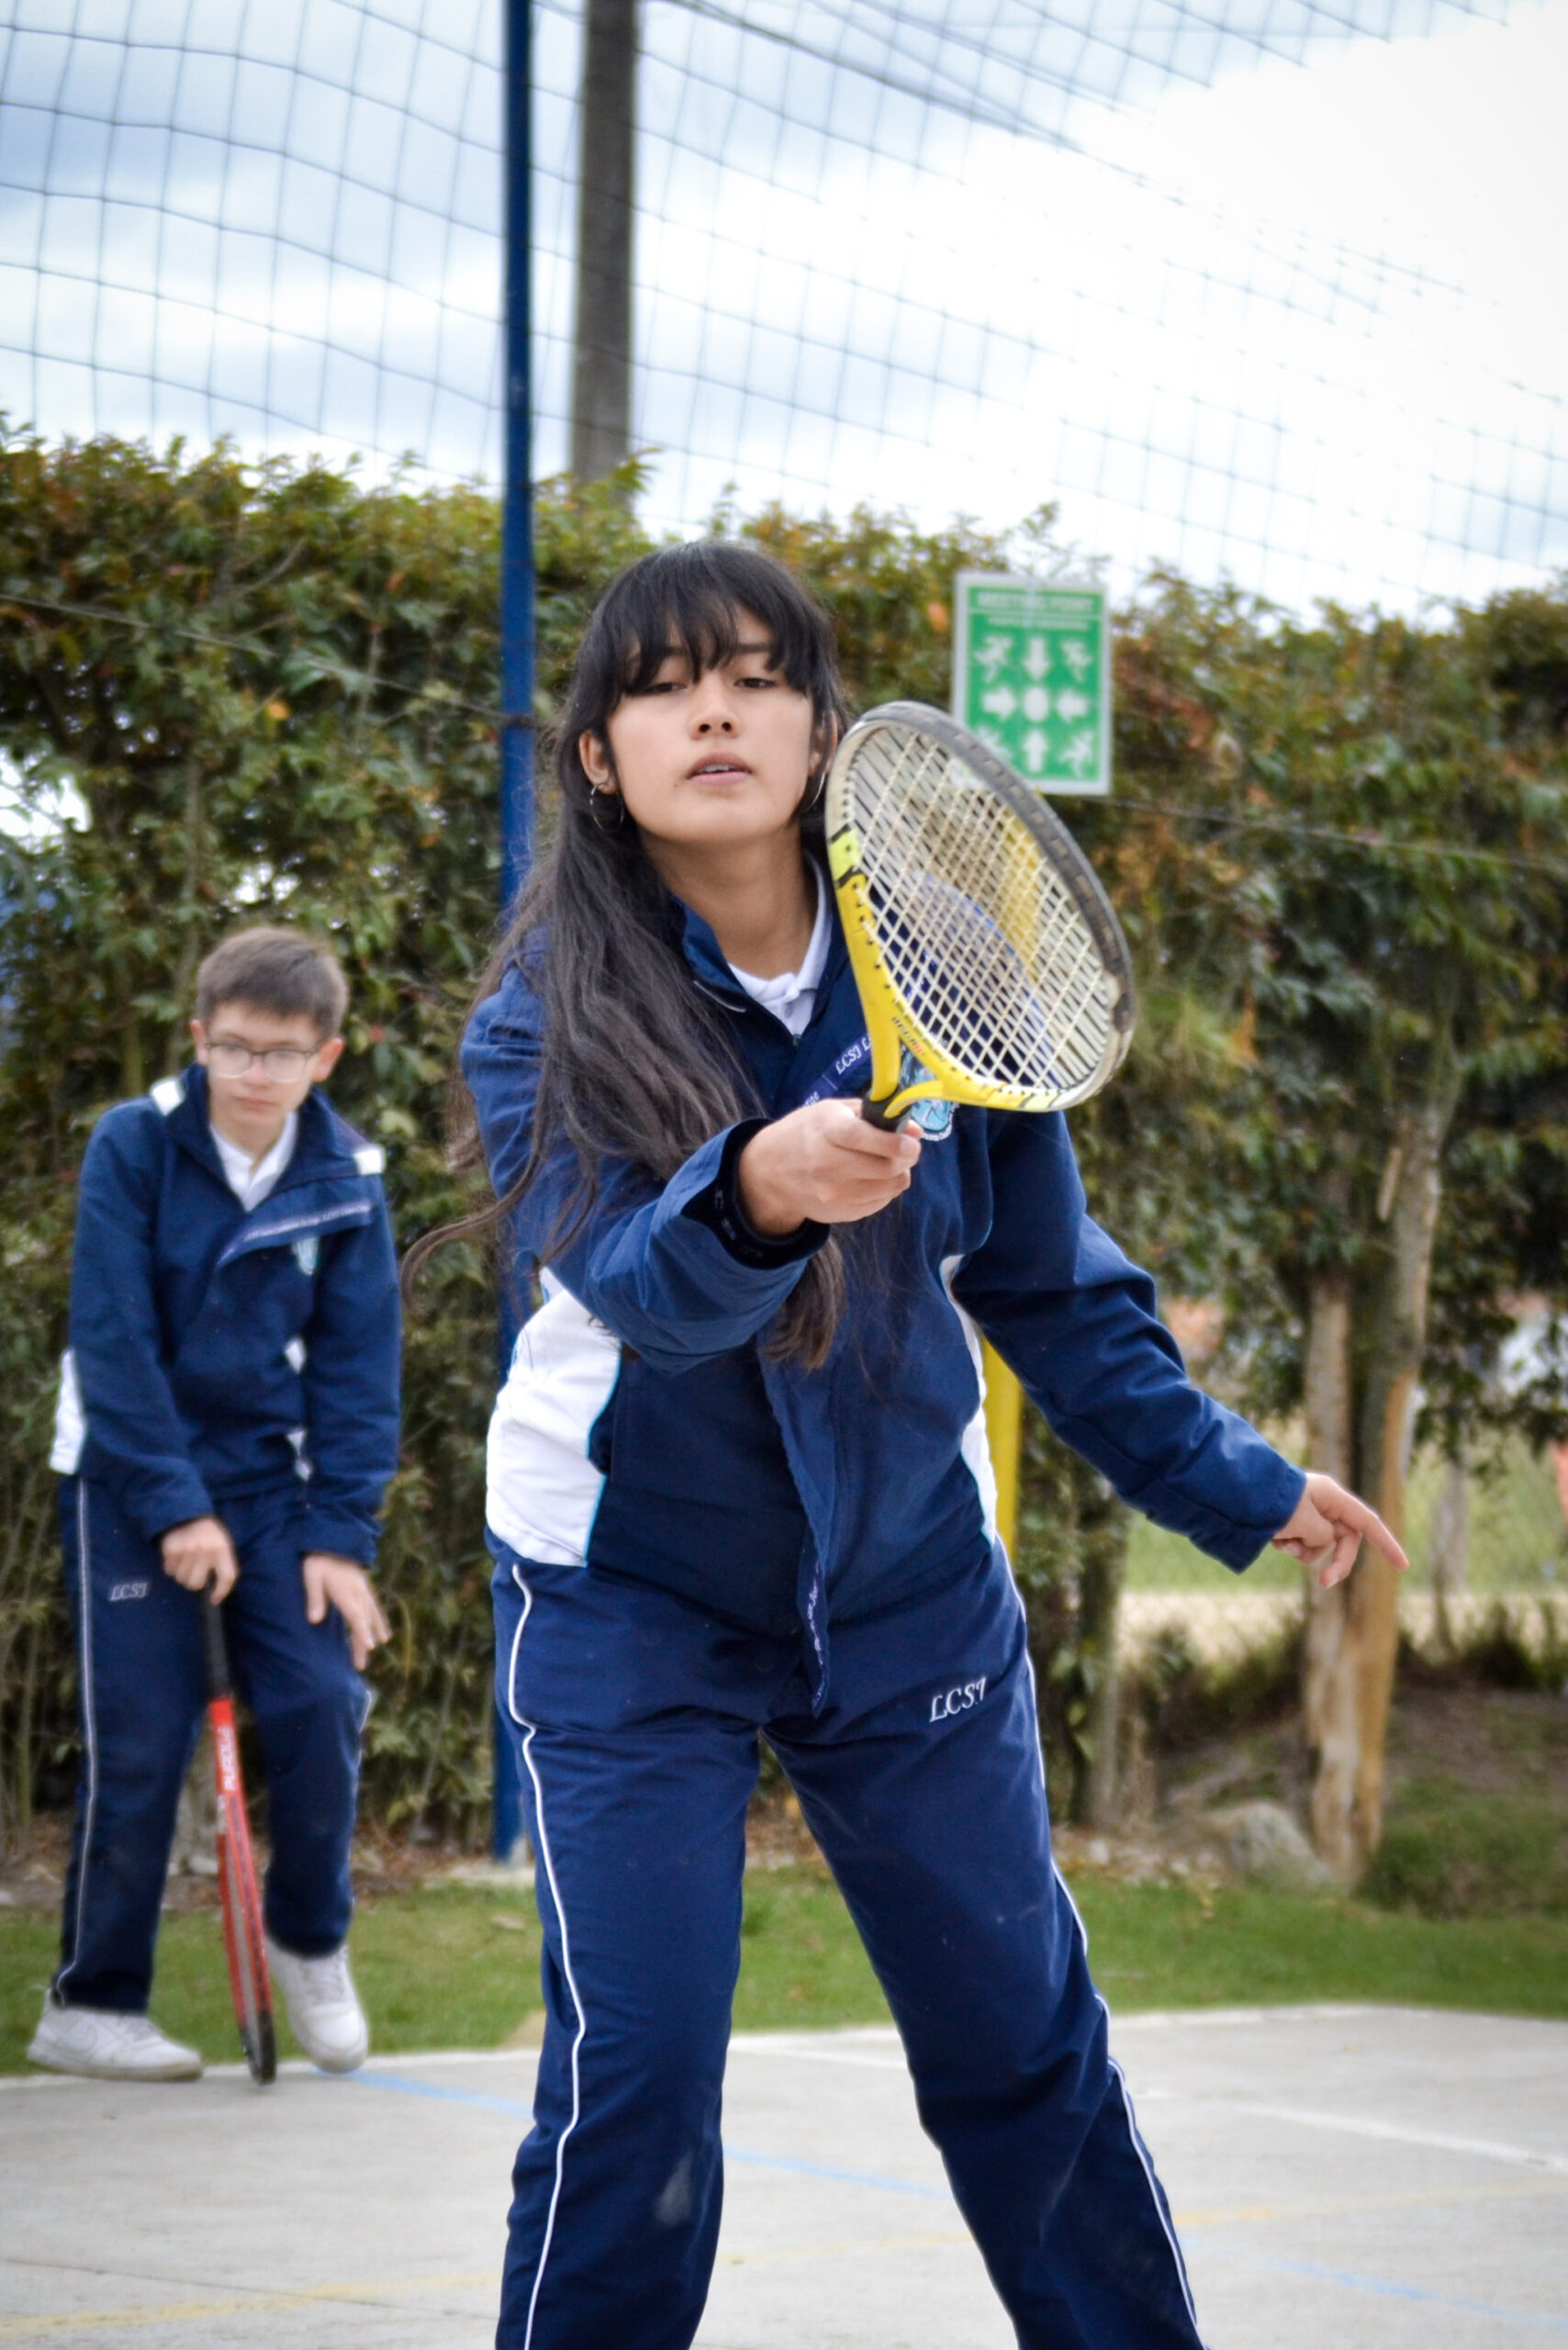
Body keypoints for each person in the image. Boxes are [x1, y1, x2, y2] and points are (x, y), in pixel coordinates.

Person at [419, 542, 1406, 2350]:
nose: (709, 706)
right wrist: (757, 1191)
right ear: (594, 757)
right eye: (658, 682)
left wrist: (1235, 1479)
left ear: (818, 729)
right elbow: (640, 1287)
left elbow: (1047, 1284)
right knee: (634, 2077)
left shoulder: (942, 976)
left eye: (752, 673)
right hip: (627, 1593)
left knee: (1022, 2043)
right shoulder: (538, 1013)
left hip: (905, 1594)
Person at [30, 926, 400, 2083]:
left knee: (324, 1696)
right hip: (125, 1479)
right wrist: (174, 1504)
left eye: (280, 1053)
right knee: (139, 1744)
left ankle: (309, 1936)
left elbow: (357, 1368)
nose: (253, 1071)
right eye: (233, 1045)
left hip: (269, 1488)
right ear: (199, 1037)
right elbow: (113, 1338)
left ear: (325, 1057)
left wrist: (340, 1537)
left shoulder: (348, 1179)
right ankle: (93, 2002)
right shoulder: (134, 1143)